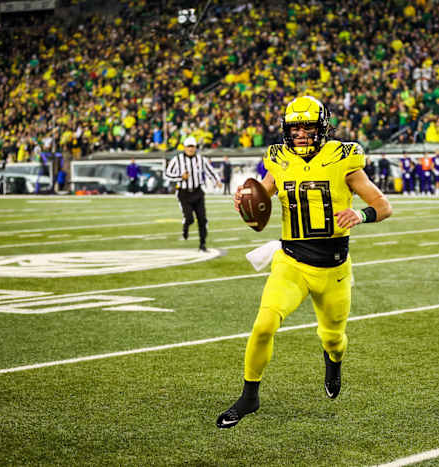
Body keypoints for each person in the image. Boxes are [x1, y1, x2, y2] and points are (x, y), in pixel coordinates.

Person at [217, 95, 392, 429]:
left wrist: (360, 213)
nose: (300, 133)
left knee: (333, 339)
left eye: (307, 126)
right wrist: (244, 198)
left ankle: (333, 362)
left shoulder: (343, 158)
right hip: (291, 261)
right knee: (264, 324)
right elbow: (262, 195)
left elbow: (383, 205)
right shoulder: (279, 159)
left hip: (333, 268)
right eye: (294, 126)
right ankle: (249, 396)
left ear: (321, 127)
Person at [164, 136, 221, 251]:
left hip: (198, 192)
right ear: (184, 148)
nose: (191, 149)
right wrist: (180, 177)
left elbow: (210, 171)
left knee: (202, 219)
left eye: (193, 147)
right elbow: (167, 174)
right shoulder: (177, 160)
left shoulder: (201, 159)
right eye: (189, 146)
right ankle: (186, 226)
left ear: (196, 148)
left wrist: (217, 181)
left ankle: (202, 244)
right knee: (189, 218)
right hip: (184, 193)